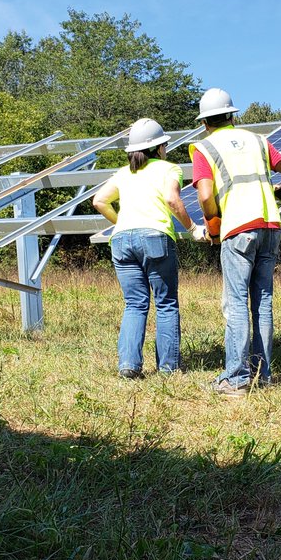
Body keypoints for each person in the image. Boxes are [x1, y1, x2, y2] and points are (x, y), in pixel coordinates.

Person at [190, 87, 281, 397]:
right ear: (232, 116)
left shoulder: (204, 148)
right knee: (263, 303)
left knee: (237, 303)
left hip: (238, 229)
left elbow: (205, 195)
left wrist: (213, 225)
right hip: (269, 227)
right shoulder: (258, 141)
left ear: (204, 122)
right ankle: (262, 375)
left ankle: (236, 379)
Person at [93, 118, 208, 378]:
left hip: (121, 240)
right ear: (158, 148)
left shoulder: (123, 173)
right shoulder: (169, 169)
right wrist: (193, 228)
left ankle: (128, 366)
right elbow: (171, 199)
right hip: (155, 238)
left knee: (134, 304)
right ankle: (168, 368)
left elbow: (99, 201)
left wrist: (121, 222)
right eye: (164, 145)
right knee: (166, 303)